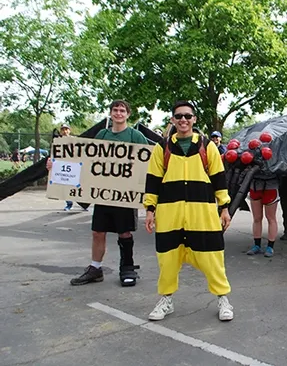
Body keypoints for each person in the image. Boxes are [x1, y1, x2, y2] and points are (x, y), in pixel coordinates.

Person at [144, 101, 234, 322]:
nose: (183, 120)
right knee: (167, 259)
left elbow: (219, 178)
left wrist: (224, 207)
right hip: (169, 214)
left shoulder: (207, 146)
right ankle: (166, 300)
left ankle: (223, 298)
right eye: (178, 116)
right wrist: (149, 208)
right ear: (173, 120)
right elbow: (153, 180)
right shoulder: (162, 147)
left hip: (201, 214)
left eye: (187, 116)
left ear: (194, 119)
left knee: (212, 257)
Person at [48, 100, 149, 287]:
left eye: (122, 110)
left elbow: (147, 162)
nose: (118, 113)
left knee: (124, 232)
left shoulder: (136, 136)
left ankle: (127, 267)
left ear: (128, 114)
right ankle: (95, 268)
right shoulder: (102, 135)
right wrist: (56, 165)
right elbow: (85, 160)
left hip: (125, 194)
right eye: (115, 110)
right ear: (110, 113)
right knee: (97, 231)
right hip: (102, 193)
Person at [246, 176, 280, 257]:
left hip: (271, 185)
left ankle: (270, 247)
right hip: (255, 185)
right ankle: (257, 245)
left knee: (271, 218)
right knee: (257, 218)